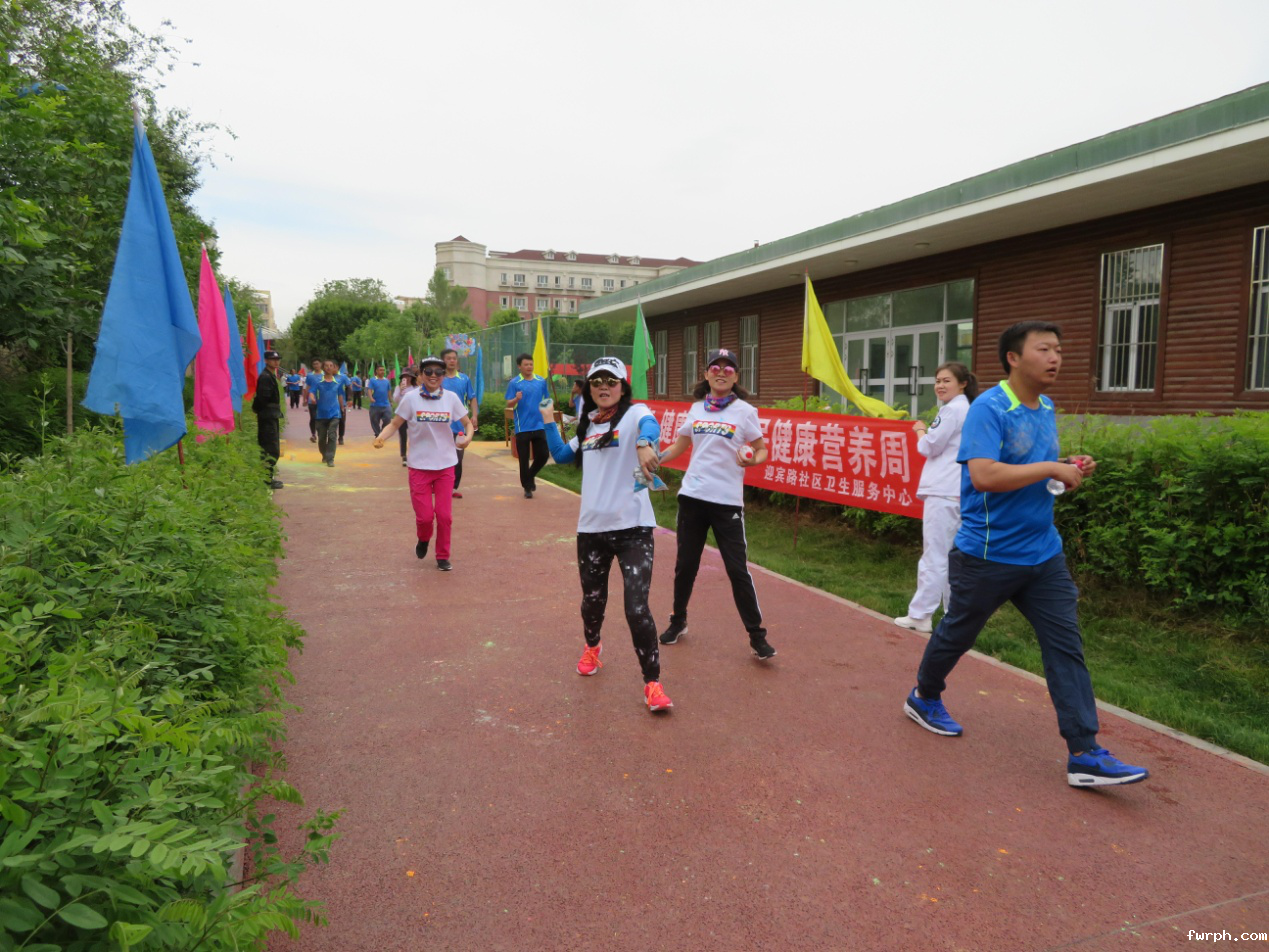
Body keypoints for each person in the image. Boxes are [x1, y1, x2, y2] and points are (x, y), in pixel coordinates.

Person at [903, 321, 1149, 788]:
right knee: (956, 633)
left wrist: (1068, 469)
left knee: (1065, 646)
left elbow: (1035, 473)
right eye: (1044, 349)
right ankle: (924, 695)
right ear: (1014, 358)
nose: (1055, 358)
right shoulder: (988, 408)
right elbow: (984, 475)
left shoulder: (1046, 406)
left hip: (1043, 554)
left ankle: (1084, 752)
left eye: (1058, 349)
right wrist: (1050, 467)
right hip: (988, 554)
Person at [540, 356, 674, 713]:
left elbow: (650, 424)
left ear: (622, 386)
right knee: (592, 601)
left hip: (633, 528)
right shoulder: (588, 425)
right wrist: (548, 420)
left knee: (636, 607)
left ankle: (653, 683)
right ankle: (592, 647)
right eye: (596, 381)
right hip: (592, 530)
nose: (603, 387)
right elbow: (560, 455)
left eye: (610, 381)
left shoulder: (634, 414)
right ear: (590, 388)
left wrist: (644, 443)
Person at [656, 348, 775, 660]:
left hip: (726, 503)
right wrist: (657, 458)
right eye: (715, 367)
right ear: (706, 374)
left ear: (736, 377)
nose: (721, 372)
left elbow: (761, 449)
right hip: (692, 497)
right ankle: (678, 621)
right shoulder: (696, 409)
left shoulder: (745, 412)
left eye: (728, 368)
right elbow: (680, 445)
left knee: (737, 569)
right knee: (686, 566)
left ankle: (757, 636)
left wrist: (752, 461)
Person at [894, 361, 978, 634]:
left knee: (935, 556)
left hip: (943, 491)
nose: (940, 386)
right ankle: (954, 615)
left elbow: (929, 446)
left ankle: (921, 615)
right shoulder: (968, 408)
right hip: (957, 490)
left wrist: (920, 430)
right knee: (953, 558)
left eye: (946, 381)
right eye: (938, 381)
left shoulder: (951, 410)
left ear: (962, 383)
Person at [373, 355, 473, 572]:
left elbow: (467, 423)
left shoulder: (451, 398)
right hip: (419, 466)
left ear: (443, 375)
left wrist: (467, 438)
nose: (433, 376)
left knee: (444, 516)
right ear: (420, 375)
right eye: (428, 372)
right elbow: (395, 424)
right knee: (425, 517)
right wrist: (381, 437)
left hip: (445, 465)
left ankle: (443, 556)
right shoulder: (410, 399)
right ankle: (423, 538)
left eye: (438, 372)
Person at [505, 353, 551, 498]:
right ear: (519, 366)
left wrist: (548, 415)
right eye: (526, 364)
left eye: (531, 364)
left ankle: (529, 476)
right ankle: (527, 488)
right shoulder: (514, 383)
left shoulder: (541, 381)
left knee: (543, 455)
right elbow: (509, 403)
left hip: (539, 424)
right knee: (523, 459)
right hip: (522, 427)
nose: (529, 367)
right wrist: (516, 399)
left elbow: (547, 399)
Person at [441, 348, 478, 498]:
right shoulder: (438, 379)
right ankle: (438, 484)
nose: (452, 361)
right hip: (440, 426)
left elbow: (472, 398)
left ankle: (453, 487)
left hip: (459, 426)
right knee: (441, 457)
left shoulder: (464, 379)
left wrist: (474, 415)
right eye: (448, 358)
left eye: (454, 358)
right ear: (443, 361)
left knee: (458, 458)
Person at [252, 349, 284, 489]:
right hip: (267, 416)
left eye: (277, 359)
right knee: (270, 448)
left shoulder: (269, 375)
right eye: (272, 359)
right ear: (266, 361)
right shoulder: (265, 377)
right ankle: (266, 480)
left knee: (271, 447)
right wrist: (257, 409)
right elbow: (262, 398)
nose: (276, 362)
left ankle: (268, 478)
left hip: (270, 415)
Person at [310, 359, 345, 467]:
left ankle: (330, 458)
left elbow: (340, 395)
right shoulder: (318, 381)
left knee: (332, 435)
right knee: (321, 438)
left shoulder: (338, 382)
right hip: (321, 414)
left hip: (335, 413)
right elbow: (311, 392)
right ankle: (324, 455)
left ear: (334, 368)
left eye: (331, 365)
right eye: (326, 365)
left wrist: (342, 407)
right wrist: (312, 398)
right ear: (323, 367)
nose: (329, 367)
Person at [393, 368, 418, 467]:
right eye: (404, 376)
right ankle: (404, 455)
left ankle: (413, 454)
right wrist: (400, 390)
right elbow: (396, 399)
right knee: (403, 435)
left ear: (412, 377)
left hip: (413, 415)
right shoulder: (398, 388)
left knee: (414, 435)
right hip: (402, 415)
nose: (406, 378)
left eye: (408, 376)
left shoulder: (415, 388)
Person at [367, 365, 393, 438]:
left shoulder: (387, 381)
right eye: (380, 370)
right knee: (374, 421)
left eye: (383, 370)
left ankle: (382, 432)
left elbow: (389, 391)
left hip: (386, 405)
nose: (382, 372)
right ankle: (377, 434)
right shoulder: (373, 380)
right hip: (375, 405)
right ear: (377, 371)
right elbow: (369, 390)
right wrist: (371, 398)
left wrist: (390, 401)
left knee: (388, 419)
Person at [303, 359, 323, 443]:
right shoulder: (310, 375)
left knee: (322, 418)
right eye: (314, 364)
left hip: (323, 401)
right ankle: (313, 434)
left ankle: (322, 434)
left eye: (317, 364)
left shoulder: (325, 374)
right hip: (312, 400)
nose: (316, 365)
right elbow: (307, 387)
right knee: (313, 417)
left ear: (321, 364)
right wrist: (305, 399)